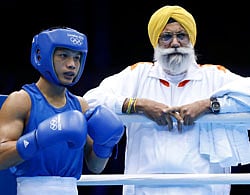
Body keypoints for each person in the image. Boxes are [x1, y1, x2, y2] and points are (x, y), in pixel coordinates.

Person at [83, 5, 250, 195]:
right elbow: (91, 101)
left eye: (182, 35)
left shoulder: (213, 76)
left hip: (203, 189)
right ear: (156, 42)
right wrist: (139, 105)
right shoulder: (138, 74)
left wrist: (208, 105)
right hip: (145, 190)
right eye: (166, 37)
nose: (175, 43)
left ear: (191, 40)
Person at [0, 26, 125, 195]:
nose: (72, 65)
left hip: (71, 189)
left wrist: (105, 145)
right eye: (63, 56)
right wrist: (38, 139)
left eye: (77, 58)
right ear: (41, 56)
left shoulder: (81, 105)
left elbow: (96, 167)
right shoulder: (22, 100)